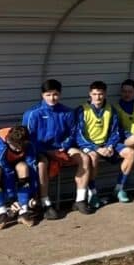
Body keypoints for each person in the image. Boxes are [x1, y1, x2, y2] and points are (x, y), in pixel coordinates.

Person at [23, 79, 88, 220]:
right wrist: (48, 152)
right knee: (42, 164)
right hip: (41, 151)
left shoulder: (67, 112)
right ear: (42, 95)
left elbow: (73, 133)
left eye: (55, 94)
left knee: (84, 158)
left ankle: (80, 199)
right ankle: (45, 203)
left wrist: (64, 146)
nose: (52, 98)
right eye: (48, 95)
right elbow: (28, 139)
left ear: (60, 94)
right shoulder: (32, 113)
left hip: (61, 148)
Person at [74, 81, 121, 210]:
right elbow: (78, 135)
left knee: (128, 153)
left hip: (105, 145)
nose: (97, 97)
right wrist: (96, 148)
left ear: (105, 94)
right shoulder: (82, 110)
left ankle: (119, 189)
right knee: (93, 157)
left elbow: (116, 131)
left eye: (100, 94)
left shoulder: (111, 110)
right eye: (94, 94)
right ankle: (92, 192)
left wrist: (110, 146)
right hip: (87, 145)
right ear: (90, 94)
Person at [0, 125, 37, 230]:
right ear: (8, 140)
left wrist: (33, 193)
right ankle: (2, 212)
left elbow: (32, 166)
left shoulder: (28, 143)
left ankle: (23, 211)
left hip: (12, 159)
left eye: (20, 146)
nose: (17, 148)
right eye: (15, 146)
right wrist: (12, 199)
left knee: (24, 168)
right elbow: (7, 172)